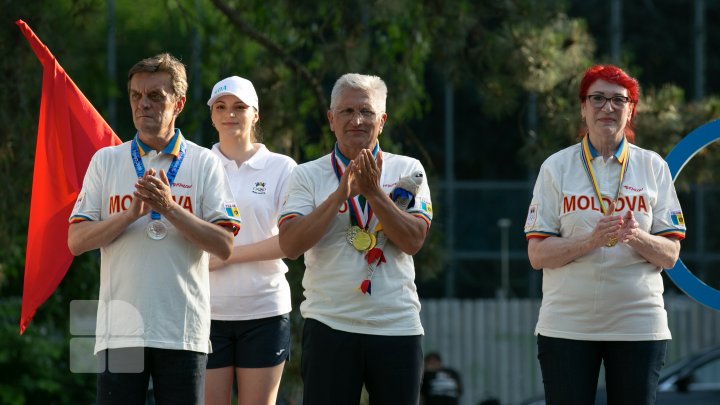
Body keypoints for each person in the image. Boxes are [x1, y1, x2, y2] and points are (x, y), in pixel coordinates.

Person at [68, 53, 241, 405]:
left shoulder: (204, 162)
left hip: (182, 332)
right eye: (135, 95)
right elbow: (76, 241)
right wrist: (130, 215)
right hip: (120, 331)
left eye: (155, 96)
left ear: (178, 103)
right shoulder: (106, 160)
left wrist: (169, 209)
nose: (142, 104)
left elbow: (224, 245)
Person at [524, 64, 686, 405]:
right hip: (567, 325)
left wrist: (636, 236)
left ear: (631, 110)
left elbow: (670, 255)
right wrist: (591, 240)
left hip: (638, 324)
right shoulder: (557, 166)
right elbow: (537, 255)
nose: (607, 107)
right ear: (583, 108)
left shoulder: (653, 166)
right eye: (597, 98)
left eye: (618, 100)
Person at [278, 73, 433, 404]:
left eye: (367, 112)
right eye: (347, 112)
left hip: (396, 326)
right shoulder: (306, 174)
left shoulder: (409, 170)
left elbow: (413, 241)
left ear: (383, 120)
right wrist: (339, 196)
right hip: (329, 324)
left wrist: (374, 192)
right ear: (331, 119)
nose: (357, 120)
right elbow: (290, 246)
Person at [203, 76, 296, 405]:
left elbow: (291, 243)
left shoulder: (282, 168)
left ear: (255, 113)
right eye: (221, 107)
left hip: (264, 310)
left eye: (240, 107)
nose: (230, 114)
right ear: (212, 115)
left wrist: (227, 256)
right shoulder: (195, 164)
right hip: (206, 311)